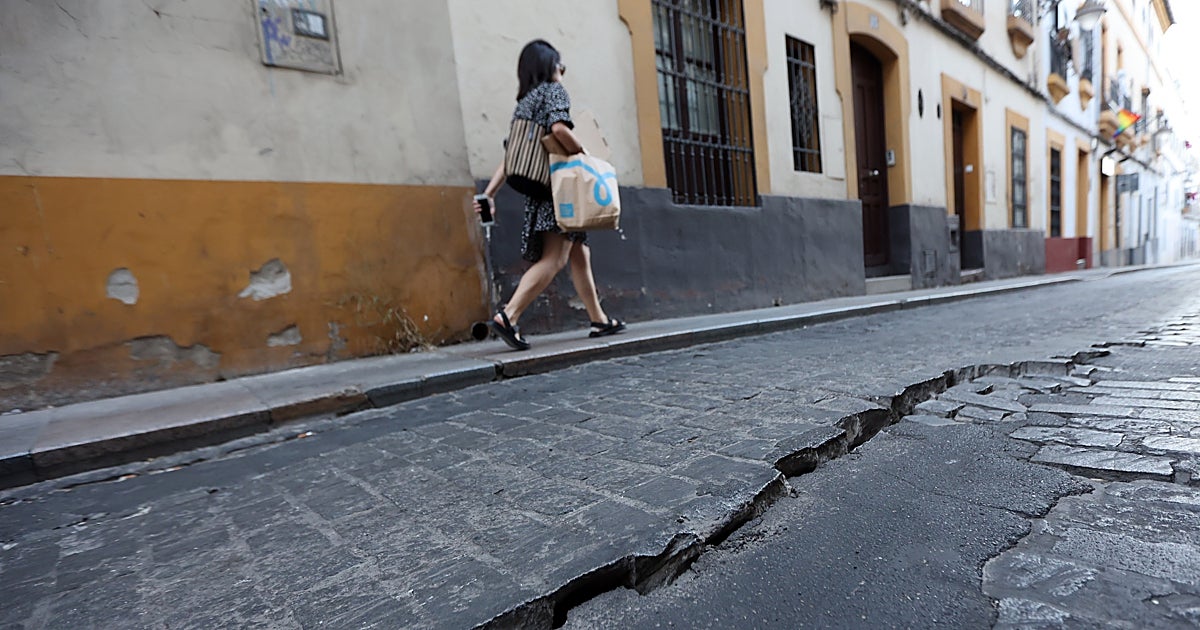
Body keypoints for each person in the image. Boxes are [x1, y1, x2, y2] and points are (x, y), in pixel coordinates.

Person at [474, 40, 625, 351]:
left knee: (580, 254)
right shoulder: (553, 92)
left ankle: (599, 319)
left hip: (541, 192)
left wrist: (489, 193)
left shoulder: (524, 105)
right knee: (554, 259)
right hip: (561, 192)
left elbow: (512, 157)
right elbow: (559, 130)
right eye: (560, 65)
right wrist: (583, 154)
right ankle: (509, 316)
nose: (562, 71)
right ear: (549, 67)